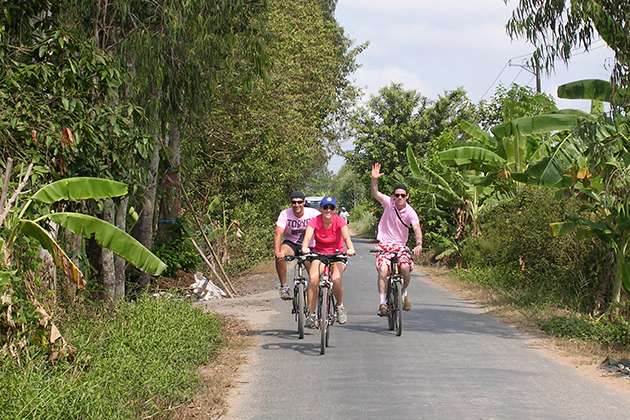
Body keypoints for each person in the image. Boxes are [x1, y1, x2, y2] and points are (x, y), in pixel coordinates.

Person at [371, 162, 423, 316]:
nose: (399, 197)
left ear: (407, 196)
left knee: (405, 269)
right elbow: (375, 193)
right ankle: (382, 303)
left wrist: (418, 244)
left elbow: (417, 229)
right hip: (385, 246)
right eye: (397, 195)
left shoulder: (410, 212)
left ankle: (404, 293)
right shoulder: (388, 203)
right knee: (384, 270)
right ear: (393, 196)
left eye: (403, 195)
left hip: (401, 247)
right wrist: (374, 179)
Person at [301, 196, 356, 327]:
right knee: (313, 278)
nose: (328, 210)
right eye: (325, 207)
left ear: (335, 210)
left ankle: (339, 306)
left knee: (336, 280)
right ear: (320, 209)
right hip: (319, 254)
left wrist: (350, 249)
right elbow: (308, 236)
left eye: (331, 208)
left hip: (337, 255)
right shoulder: (314, 221)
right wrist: (304, 247)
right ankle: (312, 314)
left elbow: (347, 238)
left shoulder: (340, 221)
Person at [274, 191, 321, 300]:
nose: (297, 205)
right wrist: (277, 252)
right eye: (294, 202)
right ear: (291, 203)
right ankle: (284, 286)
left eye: (299, 202)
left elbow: (323, 229)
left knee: (314, 278)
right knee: (280, 255)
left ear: (304, 202)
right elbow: (278, 233)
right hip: (292, 244)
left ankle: (315, 304)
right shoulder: (285, 214)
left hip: (309, 246)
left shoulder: (313, 214)